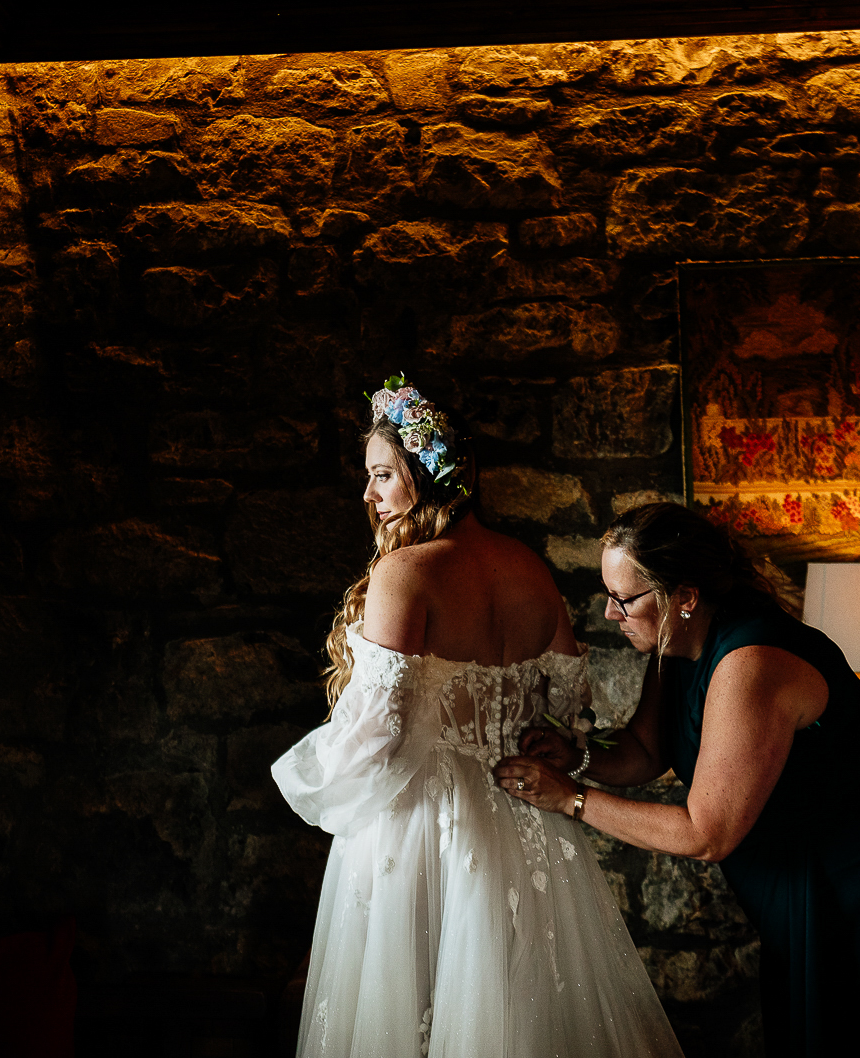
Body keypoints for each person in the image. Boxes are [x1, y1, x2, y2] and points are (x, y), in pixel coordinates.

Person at [271, 378, 683, 1058]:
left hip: (424, 832)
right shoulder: (530, 570)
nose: (369, 496)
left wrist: (313, 785)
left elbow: (378, 736)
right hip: (529, 824)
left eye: (381, 475)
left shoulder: (405, 573)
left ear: (424, 475)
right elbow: (568, 708)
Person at [493, 503, 860, 1057]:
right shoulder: (673, 646)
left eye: (626, 599)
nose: (610, 614)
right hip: (804, 881)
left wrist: (569, 798)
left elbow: (706, 833)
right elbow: (644, 751)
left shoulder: (752, 663)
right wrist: (576, 754)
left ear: (684, 597)